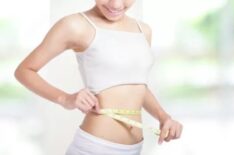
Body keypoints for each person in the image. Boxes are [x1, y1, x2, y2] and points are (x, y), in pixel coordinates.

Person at [14, 0, 183, 154]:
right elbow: (24, 70)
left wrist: (164, 117)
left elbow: (136, 85)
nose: (116, 4)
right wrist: (65, 99)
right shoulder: (75, 25)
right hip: (95, 147)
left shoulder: (143, 30)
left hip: (135, 148)